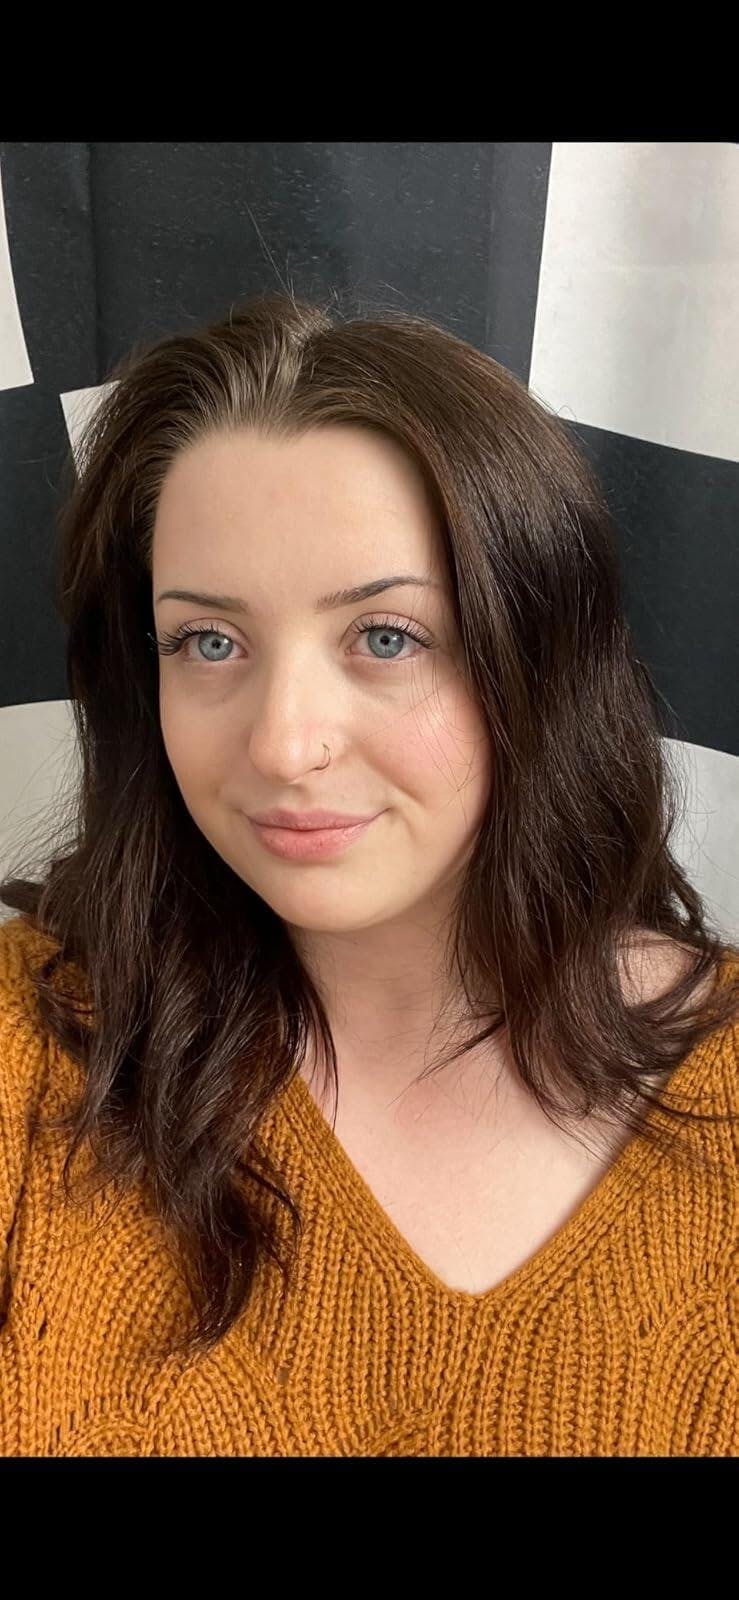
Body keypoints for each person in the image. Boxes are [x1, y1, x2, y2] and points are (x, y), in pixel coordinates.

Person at [1, 291, 737, 1459]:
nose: (283, 744)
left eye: (385, 637)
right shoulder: (25, 1051)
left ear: (538, 657)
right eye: (209, 642)